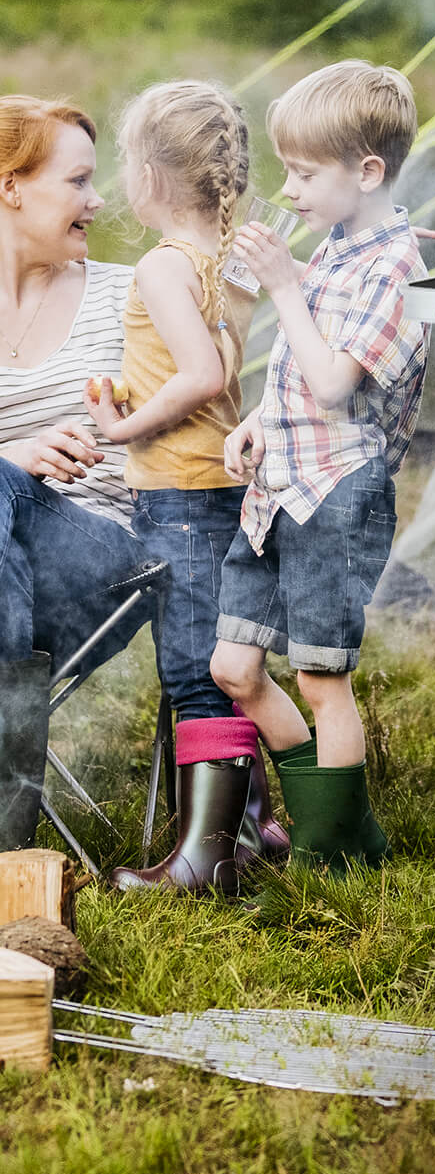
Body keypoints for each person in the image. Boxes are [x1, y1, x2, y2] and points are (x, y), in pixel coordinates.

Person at [210, 60, 427, 870]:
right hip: (281, 489)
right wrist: (262, 419)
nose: (289, 190)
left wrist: (280, 288)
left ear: (367, 172)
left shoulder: (395, 268)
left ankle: (327, 856)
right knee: (234, 667)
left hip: (339, 495)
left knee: (321, 680)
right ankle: (348, 834)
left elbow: (336, 382)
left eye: (304, 172)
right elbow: (305, 371)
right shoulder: (340, 247)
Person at [84, 81, 291, 892]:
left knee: (192, 670)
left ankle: (205, 863)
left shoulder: (166, 265)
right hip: (219, 489)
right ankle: (250, 825)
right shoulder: (230, 258)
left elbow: (202, 375)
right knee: (214, 651)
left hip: (179, 492)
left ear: (150, 175)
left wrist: (123, 429)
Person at [0, 96, 145, 849]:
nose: (98, 200)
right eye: (79, 181)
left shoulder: (131, 296)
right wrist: (13, 459)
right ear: (11, 186)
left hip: (99, 551)